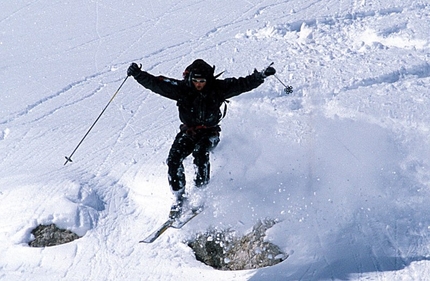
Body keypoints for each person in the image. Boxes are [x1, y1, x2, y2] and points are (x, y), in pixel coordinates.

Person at [127, 59, 275, 218]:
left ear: (208, 80)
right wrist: (137, 74)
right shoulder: (181, 89)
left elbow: (243, 84)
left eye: (202, 81)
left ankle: (200, 194)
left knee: (200, 153)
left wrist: (261, 76)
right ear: (190, 78)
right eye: (195, 81)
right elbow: (156, 84)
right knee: (173, 160)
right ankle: (179, 197)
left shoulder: (218, 89)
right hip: (189, 132)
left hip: (210, 133)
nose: (198, 84)